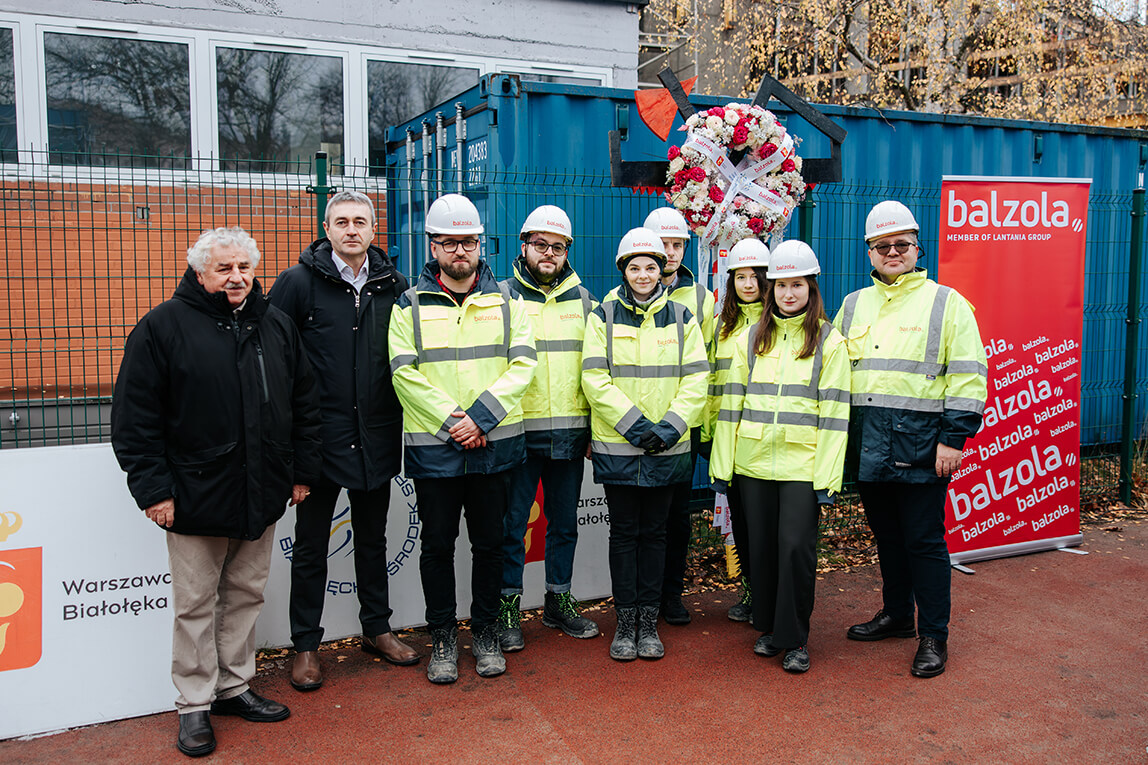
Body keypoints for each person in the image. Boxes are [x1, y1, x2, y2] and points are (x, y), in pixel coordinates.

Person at [111, 227, 321, 758]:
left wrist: (299, 474)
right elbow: (135, 420)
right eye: (224, 268)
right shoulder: (162, 328)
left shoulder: (275, 325)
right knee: (195, 604)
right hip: (193, 495)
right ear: (200, 272)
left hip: (263, 490)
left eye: (244, 267)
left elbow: (305, 404)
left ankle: (233, 686)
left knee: (245, 595)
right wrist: (154, 491)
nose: (236, 277)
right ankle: (194, 705)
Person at [267, 190, 416, 692]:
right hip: (317, 442)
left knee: (373, 541)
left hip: (375, 436)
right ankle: (305, 645)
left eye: (360, 222)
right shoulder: (295, 284)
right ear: (326, 229)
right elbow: (274, 360)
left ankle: (377, 629)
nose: (351, 230)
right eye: (341, 222)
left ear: (375, 231)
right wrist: (289, 449)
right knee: (310, 547)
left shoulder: (393, 285)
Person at [388, 193, 537, 684]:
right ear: (432, 246)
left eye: (467, 241)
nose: (459, 251)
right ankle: (444, 638)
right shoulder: (407, 303)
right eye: (449, 242)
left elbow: (524, 364)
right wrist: (456, 422)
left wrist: (481, 419)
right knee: (436, 547)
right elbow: (403, 372)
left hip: (494, 447)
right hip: (437, 451)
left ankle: (487, 633)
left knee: (491, 545)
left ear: (480, 244)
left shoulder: (509, 299)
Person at [835, 201, 988, 678]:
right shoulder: (853, 304)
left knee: (923, 541)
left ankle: (933, 636)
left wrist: (954, 439)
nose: (893, 252)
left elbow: (968, 377)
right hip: (869, 443)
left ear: (918, 248)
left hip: (924, 446)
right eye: (883, 246)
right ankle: (898, 615)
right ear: (870, 252)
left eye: (902, 244)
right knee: (887, 537)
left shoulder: (947, 303)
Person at [710, 240, 850, 673]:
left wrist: (827, 478)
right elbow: (731, 405)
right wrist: (722, 465)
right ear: (770, 290)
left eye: (797, 285)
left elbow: (835, 415)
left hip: (800, 467)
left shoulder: (830, 341)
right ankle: (769, 627)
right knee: (764, 549)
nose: (788, 294)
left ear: (811, 287)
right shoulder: (752, 338)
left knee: (794, 550)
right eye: (781, 285)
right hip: (752, 463)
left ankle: (795, 639)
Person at [581, 227, 708, 662]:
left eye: (650, 266)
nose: (642, 274)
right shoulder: (603, 315)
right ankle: (626, 623)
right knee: (624, 534)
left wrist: (670, 427)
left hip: (668, 448)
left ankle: (648, 624)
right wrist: (636, 426)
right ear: (623, 270)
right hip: (620, 446)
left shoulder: (683, 318)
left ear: (662, 270)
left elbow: (697, 377)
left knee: (655, 535)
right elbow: (594, 378)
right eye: (634, 267)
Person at [497, 205, 599, 652]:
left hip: (571, 434)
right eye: (540, 244)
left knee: (564, 524)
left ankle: (559, 600)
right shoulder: (500, 297)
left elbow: (596, 368)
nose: (549, 253)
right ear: (524, 246)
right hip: (518, 435)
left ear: (567, 252)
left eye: (557, 247)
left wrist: (595, 427)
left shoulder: (586, 301)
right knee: (512, 525)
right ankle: (507, 609)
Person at [642, 207, 716, 626]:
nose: (669, 253)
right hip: (637, 428)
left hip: (682, 429)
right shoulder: (624, 294)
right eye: (662, 244)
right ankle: (640, 599)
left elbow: (705, 365)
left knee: (676, 517)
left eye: (676, 245)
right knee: (641, 521)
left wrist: (690, 420)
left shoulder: (701, 298)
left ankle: (671, 594)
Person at [702, 238, 770, 623]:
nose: (747, 284)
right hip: (727, 442)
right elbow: (711, 381)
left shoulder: (776, 321)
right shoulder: (720, 325)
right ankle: (749, 590)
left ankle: (767, 592)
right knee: (741, 522)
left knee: (764, 526)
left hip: (763, 442)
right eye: (739, 277)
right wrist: (710, 434)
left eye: (754, 276)